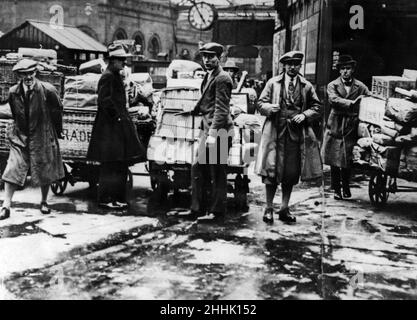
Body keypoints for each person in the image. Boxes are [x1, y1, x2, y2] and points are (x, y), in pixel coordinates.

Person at [255, 51, 322, 224]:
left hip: (295, 135)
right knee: (271, 172)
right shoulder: (273, 83)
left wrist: (305, 115)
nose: (292, 67)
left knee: (290, 173)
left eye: (296, 64)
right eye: (289, 64)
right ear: (284, 66)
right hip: (275, 133)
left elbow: (317, 107)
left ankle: (284, 208)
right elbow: (260, 103)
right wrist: (270, 107)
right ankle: (269, 208)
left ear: (300, 66)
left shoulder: (306, 86)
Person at [0, 59, 64, 220]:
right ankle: (6, 206)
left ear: (35, 73)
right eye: (24, 74)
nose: (28, 77)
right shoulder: (14, 92)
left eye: (31, 73)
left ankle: (43, 202)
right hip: (20, 135)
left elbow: (57, 112)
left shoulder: (47, 90)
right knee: (12, 168)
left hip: (43, 134)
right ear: (19, 75)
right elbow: (15, 113)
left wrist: (56, 133)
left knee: (44, 169)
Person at [87, 43, 146, 210]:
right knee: (110, 165)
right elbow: (104, 101)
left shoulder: (114, 76)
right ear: (112, 61)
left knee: (119, 164)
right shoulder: (108, 77)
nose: (123, 63)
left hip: (115, 128)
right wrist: (118, 117)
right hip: (109, 129)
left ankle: (117, 197)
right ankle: (106, 199)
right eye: (121, 60)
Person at [189, 42, 234, 222]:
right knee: (199, 168)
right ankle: (198, 209)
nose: (207, 60)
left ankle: (216, 212)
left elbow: (221, 110)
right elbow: (207, 103)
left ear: (220, 57)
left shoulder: (222, 78)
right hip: (209, 129)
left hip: (219, 132)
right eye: (204, 56)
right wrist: (194, 110)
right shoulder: (210, 75)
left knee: (217, 172)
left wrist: (213, 135)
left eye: (211, 56)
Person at [322, 55, 370, 200]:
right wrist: (353, 103)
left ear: (353, 69)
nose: (345, 72)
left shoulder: (360, 86)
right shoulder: (332, 85)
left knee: (347, 158)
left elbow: (369, 97)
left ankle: (346, 186)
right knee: (334, 159)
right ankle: (336, 189)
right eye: (342, 69)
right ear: (339, 71)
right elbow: (334, 99)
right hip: (336, 124)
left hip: (351, 125)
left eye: (348, 68)